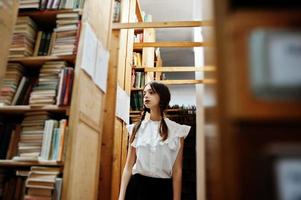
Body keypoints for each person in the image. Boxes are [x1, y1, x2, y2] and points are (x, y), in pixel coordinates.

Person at [118, 81, 191, 200]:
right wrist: (121, 197)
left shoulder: (177, 131)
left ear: (162, 96)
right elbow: (128, 166)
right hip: (137, 188)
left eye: (151, 93)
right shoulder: (136, 128)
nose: (146, 96)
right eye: (144, 93)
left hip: (163, 190)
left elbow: (177, 170)